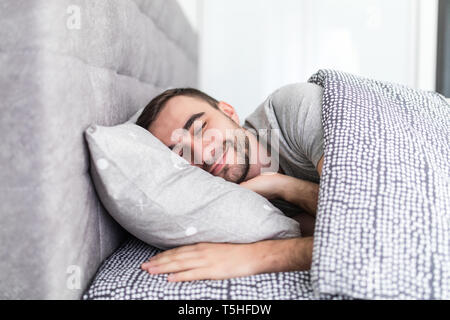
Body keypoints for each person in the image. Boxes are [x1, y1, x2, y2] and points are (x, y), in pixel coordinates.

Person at [137, 83, 325, 282]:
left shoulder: (292, 109)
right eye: (182, 154)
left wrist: (286, 188)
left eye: (201, 129)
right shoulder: (242, 212)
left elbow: (359, 219)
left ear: (228, 112)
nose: (204, 154)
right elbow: (345, 237)